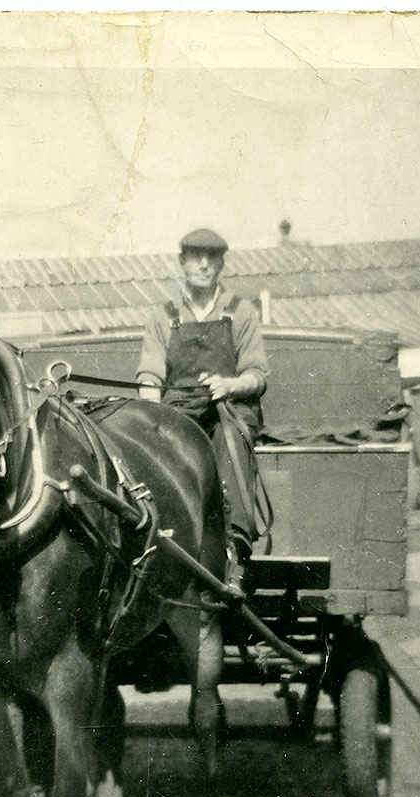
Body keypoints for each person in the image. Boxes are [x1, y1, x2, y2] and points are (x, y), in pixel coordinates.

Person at [137, 228, 269, 588]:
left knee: (232, 444)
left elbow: (257, 374)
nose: (203, 264)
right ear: (182, 263)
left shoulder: (240, 313)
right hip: (177, 410)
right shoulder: (162, 317)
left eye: (211, 258)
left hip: (227, 410)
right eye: (196, 257)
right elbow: (150, 375)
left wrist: (231, 384)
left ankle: (235, 550)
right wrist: (152, 413)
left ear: (222, 264)